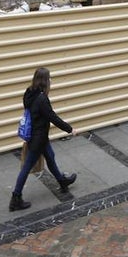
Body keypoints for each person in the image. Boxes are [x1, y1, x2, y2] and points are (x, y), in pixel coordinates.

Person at [10, 66, 77, 211]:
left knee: (51, 157)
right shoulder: (41, 99)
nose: (51, 80)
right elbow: (52, 117)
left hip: (38, 135)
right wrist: (70, 129)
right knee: (27, 167)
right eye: (49, 78)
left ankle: (62, 181)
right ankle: (16, 198)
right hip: (38, 138)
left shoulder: (29, 92)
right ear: (45, 81)